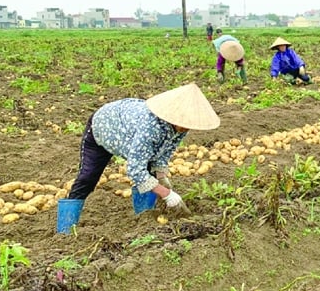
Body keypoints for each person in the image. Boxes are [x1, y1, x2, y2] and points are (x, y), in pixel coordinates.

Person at [56, 83, 221, 233]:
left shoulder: (181, 127)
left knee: (150, 172)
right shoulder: (150, 128)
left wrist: (162, 176)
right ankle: (65, 230)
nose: (186, 127)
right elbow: (135, 170)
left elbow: (164, 151)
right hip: (102, 129)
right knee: (88, 177)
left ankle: (144, 219)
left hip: (127, 134)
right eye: (183, 123)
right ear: (173, 115)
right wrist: (166, 193)